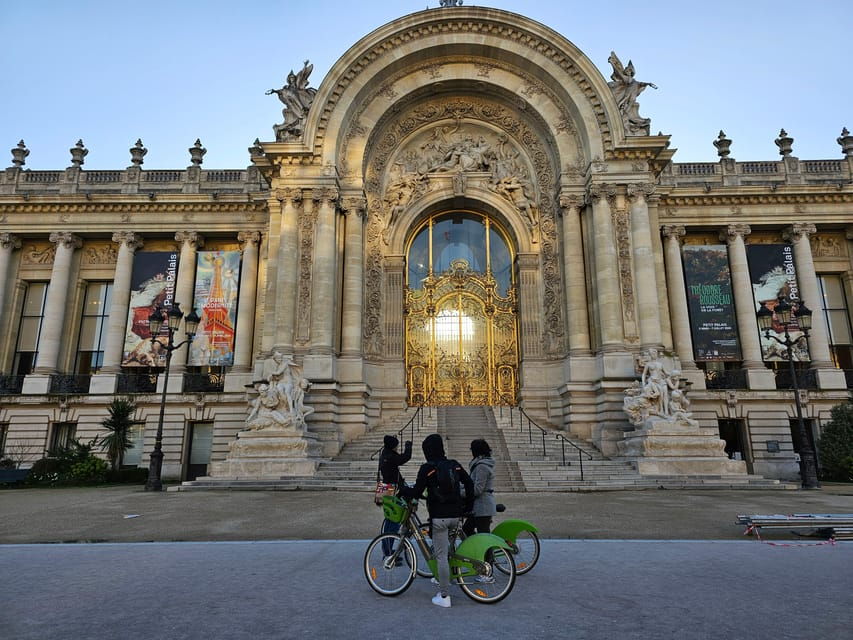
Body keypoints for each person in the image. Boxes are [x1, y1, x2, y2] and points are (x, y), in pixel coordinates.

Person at [402, 433, 474, 609]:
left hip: (439, 517)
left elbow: (417, 491)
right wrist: (467, 506)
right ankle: (443, 577)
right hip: (456, 515)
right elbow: (470, 484)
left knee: (441, 556)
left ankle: (444, 596)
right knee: (448, 550)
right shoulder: (454, 464)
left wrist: (403, 489)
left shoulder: (427, 467)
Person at [378, 435, 412, 555]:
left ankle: (387, 549)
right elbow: (405, 458)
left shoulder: (384, 454)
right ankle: (388, 554)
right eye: (396, 445)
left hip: (387, 489)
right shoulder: (390, 456)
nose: (397, 447)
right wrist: (408, 446)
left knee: (389, 521)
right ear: (392, 446)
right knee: (393, 522)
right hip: (393, 490)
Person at [463, 439, 496, 536]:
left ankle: (489, 552)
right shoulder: (480, 465)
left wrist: (460, 492)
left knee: (484, 537)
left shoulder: (482, 466)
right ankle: (475, 550)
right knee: (467, 530)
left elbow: (478, 489)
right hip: (479, 507)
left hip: (483, 507)